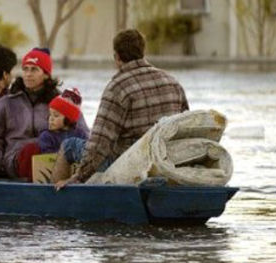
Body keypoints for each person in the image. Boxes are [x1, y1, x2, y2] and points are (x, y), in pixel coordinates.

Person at [54, 29, 189, 189]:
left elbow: (98, 145)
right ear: (142, 52)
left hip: (127, 164)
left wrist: (78, 178)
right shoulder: (172, 82)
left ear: (116, 57)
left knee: (69, 145)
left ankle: (56, 196)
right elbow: (183, 129)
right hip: (164, 160)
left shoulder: (117, 88)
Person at [0, 47, 89, 179]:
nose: (28, 74)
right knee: (31, 150)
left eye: (34, 69)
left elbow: (84, 136)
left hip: (57, 159)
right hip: (16, 161)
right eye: (25, 69)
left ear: (46, 74)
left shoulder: (64, 104)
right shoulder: (4, 104)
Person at [37, 88, 88, 154]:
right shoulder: (46, 136)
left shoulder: (80, 135)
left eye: (56, 115)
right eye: (50, 115)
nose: (51, 119)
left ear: (68, 119)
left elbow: (86, 152)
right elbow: (47, 155)